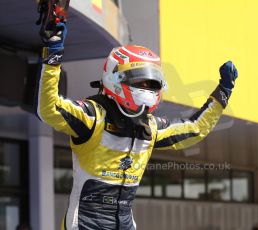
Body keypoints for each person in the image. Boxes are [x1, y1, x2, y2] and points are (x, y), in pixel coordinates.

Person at [35, 22, 238, 230]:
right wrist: (53, 57)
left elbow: (195, 128)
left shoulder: (150, 127)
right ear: (114, 77)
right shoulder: (94, 115)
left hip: (125, 223)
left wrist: (222, 93)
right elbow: (49, 109)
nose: (147, 88)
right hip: (85, 224)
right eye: (140, 82)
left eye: (152, 83)